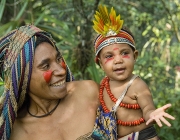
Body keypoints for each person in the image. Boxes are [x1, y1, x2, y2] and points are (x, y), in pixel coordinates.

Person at [0, 25, 115, 140]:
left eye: (59, 59)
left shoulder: (89, 92)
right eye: (45, 66)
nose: (61, 70)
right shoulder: (16, 133)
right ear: (22, 79)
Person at [92, 5, 175, 140]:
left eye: (124, 53)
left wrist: (152, 114)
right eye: (109, 56)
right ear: (100, 63)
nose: (118, 60)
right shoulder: (103, 85)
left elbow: (147, 109)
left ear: (135, 56)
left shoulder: (137, 85)